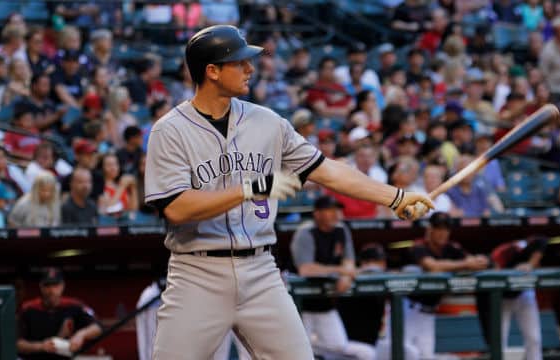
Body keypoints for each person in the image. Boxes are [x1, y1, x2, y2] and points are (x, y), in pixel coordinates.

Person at [144, 25, 433, 360]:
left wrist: (394, 197)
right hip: (197, 273)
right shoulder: (170, 131)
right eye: (240, 62)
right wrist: (251, 188)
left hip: (260, 271)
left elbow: (328, 170)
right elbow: (177, 209)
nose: (250, 68)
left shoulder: (267, 122)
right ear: (212, 71)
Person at [291, 195, 376, 359]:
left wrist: (346, 277)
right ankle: (308, 345)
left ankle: (312, 345)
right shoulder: (306, 232)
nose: (335, 214)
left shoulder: (341, 230)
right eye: (329, 210)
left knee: (337, 345)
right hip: (300, 304)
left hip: (325, 302)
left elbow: (349, 261)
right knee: (298, 353)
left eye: (336, 210)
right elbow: (306, 269)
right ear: (317, 213)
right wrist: (341, 271)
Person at [405, 212, 489, 360]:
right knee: (406, 353)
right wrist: (465, 264)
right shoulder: (418, 246)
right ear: (430, 229)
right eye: (439, 228)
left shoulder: (450, 248)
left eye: (446, 229)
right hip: (407, 311)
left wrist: (478, 260)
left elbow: (473, 261)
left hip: (429, 313)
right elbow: (432, 266)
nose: (443, 233)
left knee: (426, 356)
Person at [476, 235, 548, 360]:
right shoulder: (489, 265)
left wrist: (530, 264)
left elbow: (542, 241)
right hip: (503, 298)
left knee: (534, 338)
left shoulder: (507, 251)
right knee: (499, 340)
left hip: (524, 293)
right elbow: (482, 309)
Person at [17, 267, 102, 359]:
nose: (51, 290)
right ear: (41, 286)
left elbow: (97, 327)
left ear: (62, 285)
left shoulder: (74, 305)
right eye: (47, 285)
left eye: (55, 285)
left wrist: (81, 335)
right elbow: (15, 344)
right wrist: (41, 346)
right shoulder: (28, 309)